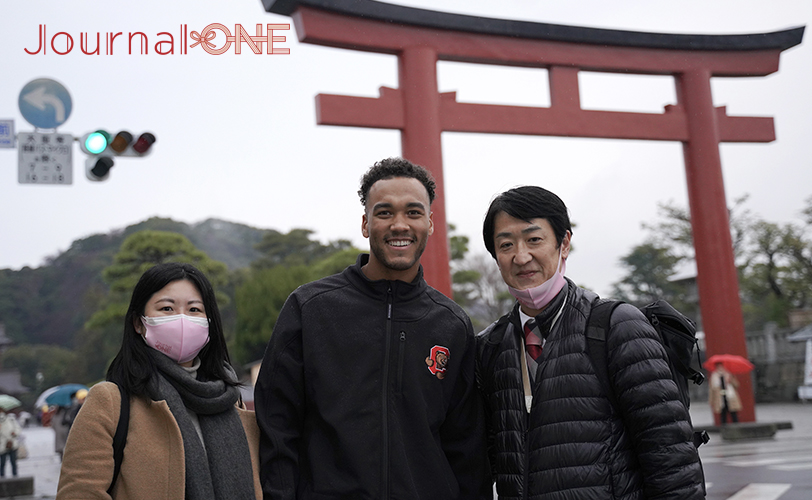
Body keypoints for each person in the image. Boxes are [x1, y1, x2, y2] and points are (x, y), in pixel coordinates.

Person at [254, 157, 491, 499]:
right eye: (384, 213)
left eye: (413, 212)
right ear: (366, 224)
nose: (399, 225)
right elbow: (277, 427)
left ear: (430, 222)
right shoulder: (310, 308)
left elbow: (467, 448)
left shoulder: (451, 324)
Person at [476, 186, 705, 499]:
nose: (521, 256)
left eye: (534, 239)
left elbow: (671, 461)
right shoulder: (490, 347)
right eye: (506, 245)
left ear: (564, 243)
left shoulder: (615, 326)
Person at [57, 263, 261, 500]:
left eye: (194, 309)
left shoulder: (228, 399)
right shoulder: (109, 402)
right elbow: (80, 493)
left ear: (209, 323)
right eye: (167, 308)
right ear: (138, 323)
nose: (182, 319)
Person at [0, 411, 22, 477]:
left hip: (12, 444)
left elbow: (18, 429)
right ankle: (2, 478)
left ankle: (15, 476)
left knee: (13, 462)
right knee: (2, 463)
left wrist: (15, 433)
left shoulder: (11, 419)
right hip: (2, 445)